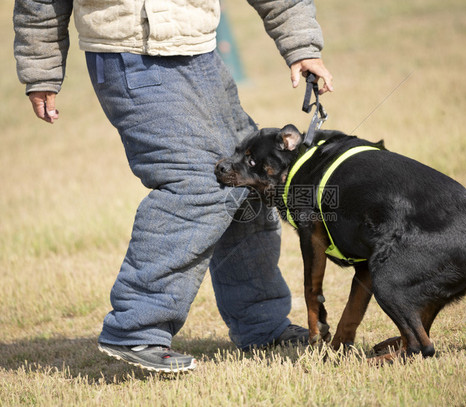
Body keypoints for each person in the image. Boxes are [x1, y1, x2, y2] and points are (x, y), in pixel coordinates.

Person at [14, 0, 333, 372]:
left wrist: (301, 45)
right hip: (127, 54)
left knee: (249, 181)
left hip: (200, 53)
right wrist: (41, 70)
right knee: (196, 184)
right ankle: (136, 328)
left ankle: (262, 326)